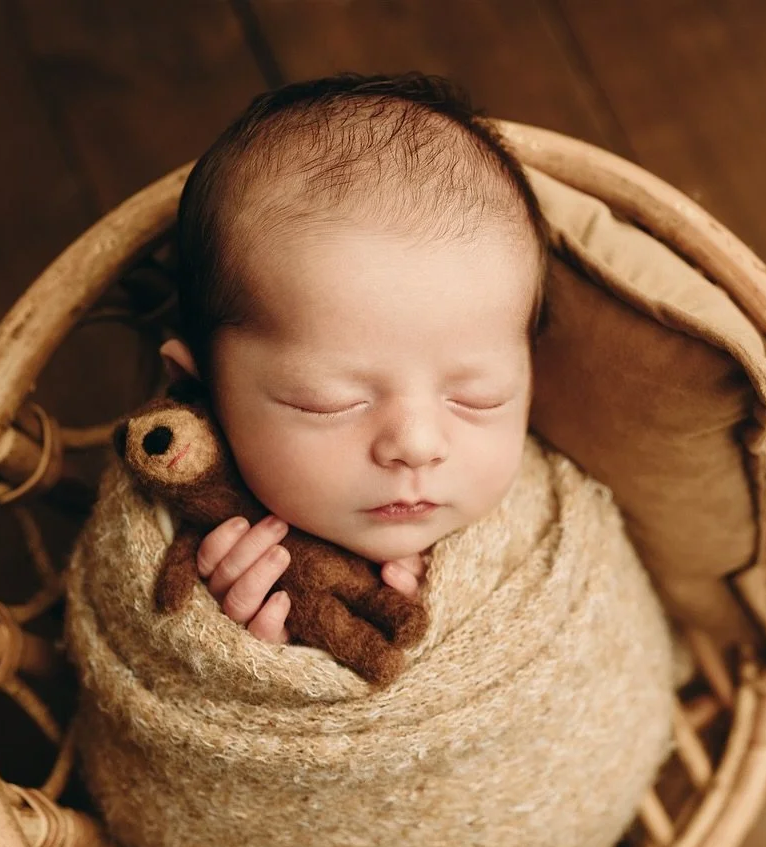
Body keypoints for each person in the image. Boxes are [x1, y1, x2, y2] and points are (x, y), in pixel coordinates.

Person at [156, 71, 549, 645]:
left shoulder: (545, 528)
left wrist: (461, 615)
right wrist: (245, 658)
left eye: (477, 397)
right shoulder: (181, 534)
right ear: (199, 388)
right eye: (330, 403)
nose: (416, 445)